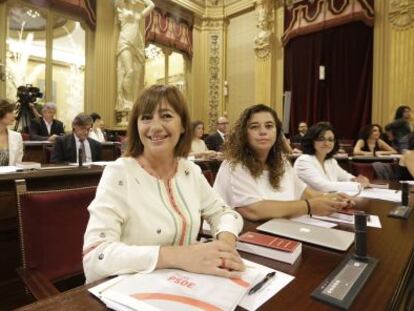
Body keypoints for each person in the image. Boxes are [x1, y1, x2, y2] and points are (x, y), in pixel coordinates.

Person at [83, 85, 244, 283]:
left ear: (184, 125)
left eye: (166, 116)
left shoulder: (190, 171)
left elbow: (224, 213)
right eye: (146, 117)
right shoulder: (120, 172)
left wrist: (225, 243)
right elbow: (95, 256)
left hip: (185, 285)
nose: (155, 127)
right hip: (129, 291)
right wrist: (179, 256)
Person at [213, 104, 353, 222]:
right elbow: (252, 210)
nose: (263, 132)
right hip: (247, 236)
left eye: (269, 126)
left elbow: (303, 192)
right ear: (244, 133)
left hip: (284, 229)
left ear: (277, 132)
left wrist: (332, 199)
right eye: (254, 127)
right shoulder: (234, 164)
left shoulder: (282, 162)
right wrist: (309, 206)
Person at [294, 122, 370, 192]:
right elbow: (323, 186)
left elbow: (344, 176)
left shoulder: (330, 161)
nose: (326, 143)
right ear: (311, 141)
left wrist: (356, 179)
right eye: (321, 139)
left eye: (330, 140)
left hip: (328, 201)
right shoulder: (304, 161)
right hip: (308, 204)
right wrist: (359, 185)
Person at [115, 0, 155, 110]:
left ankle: (130, 100)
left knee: (136, 73)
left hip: (136, 43)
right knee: (129, 71)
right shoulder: (122, 10)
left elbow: (152, 5)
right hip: (125, 42)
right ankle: (127, 101)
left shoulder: (139, 14)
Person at [0, 98, 23, 166]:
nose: (14, 115)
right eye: (10, 112)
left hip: (10, 176)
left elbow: (18, 164)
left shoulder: (17, 137)